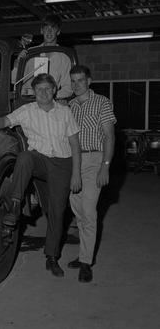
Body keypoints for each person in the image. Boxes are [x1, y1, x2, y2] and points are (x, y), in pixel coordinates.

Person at [0, 73, 81, 277]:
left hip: (62, 164)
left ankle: (52, 257)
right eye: (39, 89)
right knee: (25, 156)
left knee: (56, 212)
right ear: (33, 92)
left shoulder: (65, 112)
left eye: (47, 88)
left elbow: (74, 145)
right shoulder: (27, 111)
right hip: (40, 161)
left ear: (54, 90)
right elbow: (6, 120)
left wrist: (76, 174)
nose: (43, 93)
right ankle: (15, 206)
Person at [68, 65, 117, 283]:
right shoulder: (70, 106)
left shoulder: (102, 102)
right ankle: (83, 254)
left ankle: (86, 262)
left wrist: (105, 166)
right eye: (73, 81)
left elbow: (109, 136)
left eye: (80, 80)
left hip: (94, 160)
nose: (77, 84)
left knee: (88, 211)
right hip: (74, 162)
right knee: (77, 209)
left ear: (89, 81)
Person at [12, 14, 73, 100]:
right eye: (46, 28)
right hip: (27, 102)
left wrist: (50, 96)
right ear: (41, 30)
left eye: (53, 28)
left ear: (58, 32)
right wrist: (18, 63)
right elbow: (14, 80)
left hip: (50, 104)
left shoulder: (64, 57)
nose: (49, 31)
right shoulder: (30, 53)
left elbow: (68, 89)